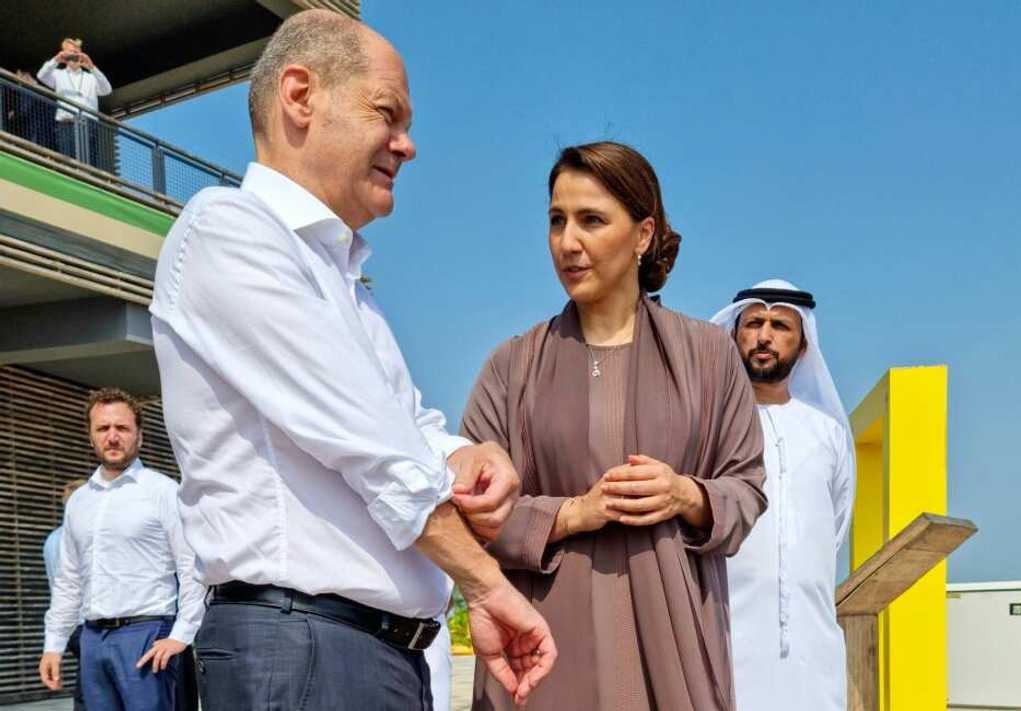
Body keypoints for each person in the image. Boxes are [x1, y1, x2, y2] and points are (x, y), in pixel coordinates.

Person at [148, 10, 555, 711]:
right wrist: (488, 582)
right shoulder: (228, 231)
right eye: (387, 113)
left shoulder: (343, 284)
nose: (408, 145)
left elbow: (403, 423)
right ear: (300, 96)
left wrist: (463, 456)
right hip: (302, 652)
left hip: (355, 654)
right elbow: (370, 441)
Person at [461, 141, 768, 711]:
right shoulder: (512, 366)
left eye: (591, 221)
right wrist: (572, 513)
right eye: (557, 221)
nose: (567, 243)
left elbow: (746, 490)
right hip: (542, 653)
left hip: (675, 652)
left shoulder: (708, 356)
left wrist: (687, 494)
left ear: (643, 234)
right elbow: (469, 509)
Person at [710, 279, 856, 711]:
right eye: (753, 323)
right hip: (727, 640)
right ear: (733, 336)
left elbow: (834, 530)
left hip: (813, 648)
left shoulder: (827, 432)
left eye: (780, 326)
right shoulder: (709, 429)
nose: (765, 336)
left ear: (804, 344)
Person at [39, 388, 206, 711]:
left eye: (122, 428)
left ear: (139, 436)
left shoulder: (163, 492)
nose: (112, 437)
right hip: (92, 639)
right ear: (91, 437)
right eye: (103, 428)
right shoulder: (79, 502)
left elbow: (192, 567)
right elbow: (69, 579)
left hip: (147, 635)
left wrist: (182, 634)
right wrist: (54, 644)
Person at [43, 478, 88, 711]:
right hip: (85, 623)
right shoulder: (78, 539)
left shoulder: (52, 539)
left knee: (87, 682)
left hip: (69, 625)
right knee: (92, 686)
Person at [36, 38, 112, 170]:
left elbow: (107, 89)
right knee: (67, 165)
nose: (74, 55)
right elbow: (41, 75)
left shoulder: (91, 77)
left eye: (76, 52)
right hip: (66, 125)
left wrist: (91, 67)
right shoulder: (58, 75)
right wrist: (56, 60)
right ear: (64, 54)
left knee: (89, 167)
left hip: (89, 126)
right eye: (70, 52)